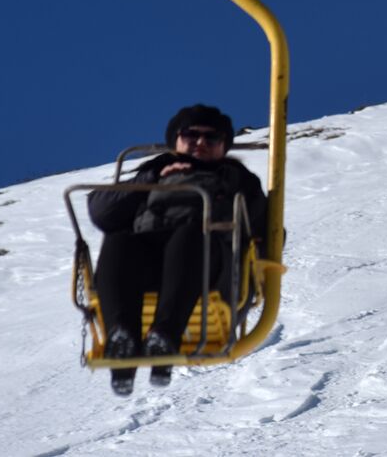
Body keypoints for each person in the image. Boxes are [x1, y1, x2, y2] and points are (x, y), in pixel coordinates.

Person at [88, 104, 267, 396]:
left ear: (224, 145)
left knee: (192, 234)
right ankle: (122, 337)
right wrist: (150, 180)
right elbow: (101, 213)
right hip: (148, 262)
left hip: (207, 266)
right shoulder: (153, 170)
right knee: (119, 239)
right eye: (191, 135)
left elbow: (265, 227)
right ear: (176, 140)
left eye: (211, 138)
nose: (200, 143)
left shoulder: (236, 177)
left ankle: (165, 334)